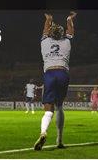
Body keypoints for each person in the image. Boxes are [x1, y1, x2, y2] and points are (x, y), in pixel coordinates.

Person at [34, 11, 76, 151]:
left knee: (48, 110)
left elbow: (45, 29)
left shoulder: (45, 41)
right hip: (63, 73)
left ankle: (43, 132)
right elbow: (70, 30)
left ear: (51, 33)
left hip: (50, 73)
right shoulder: (67, 41)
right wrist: (69, 19)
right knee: (59, 106)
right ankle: (59, 139)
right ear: (62, 34)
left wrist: (49, 19)